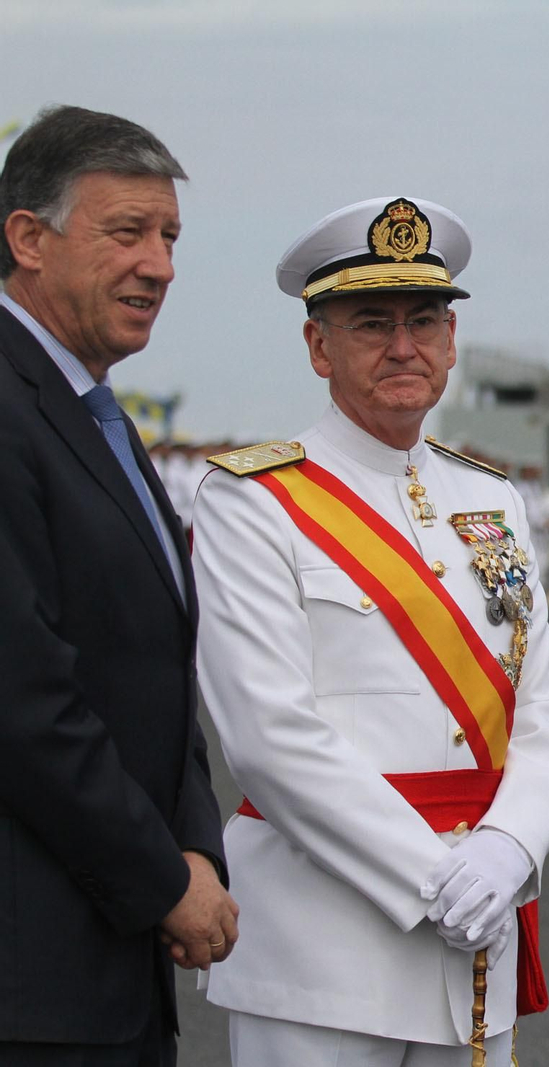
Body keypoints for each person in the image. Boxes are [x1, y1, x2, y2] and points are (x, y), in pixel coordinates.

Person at [191, 196, 549, 1066]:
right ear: (319, 346)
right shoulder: (255, 501)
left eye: (425, 321)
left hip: (479, 939)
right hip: (324, 959)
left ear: (450, 342)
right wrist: (436, 876)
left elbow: (543, 705)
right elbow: (268, 733)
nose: (404, 347)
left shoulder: (490, 498)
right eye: (372, 323)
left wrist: (510, 848)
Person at [0, 105, 235, 1066]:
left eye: (170, 237)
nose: (161, 266)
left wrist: (197, 853)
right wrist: (161, 877)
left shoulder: (91, 411)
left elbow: (153, 666)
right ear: (27, 238)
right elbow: (23, 697)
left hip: (100, 971)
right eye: (126, 232)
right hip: (30, 988)